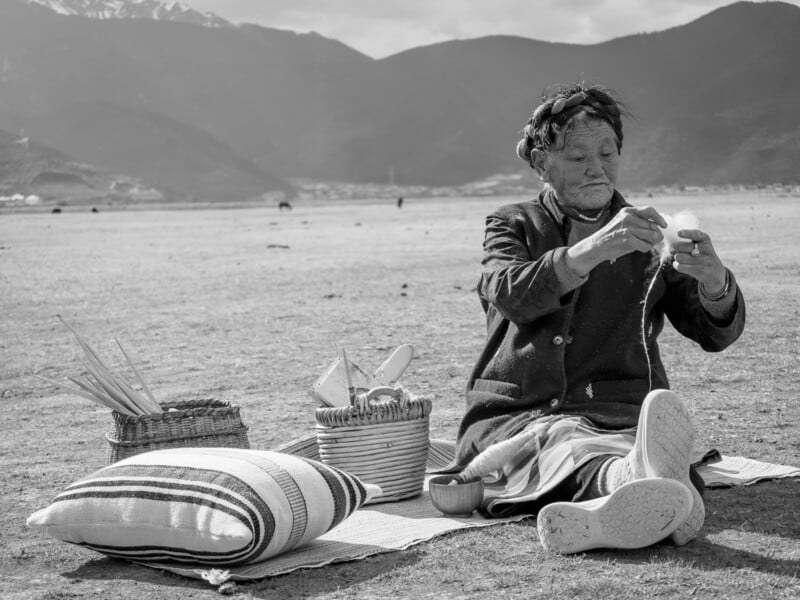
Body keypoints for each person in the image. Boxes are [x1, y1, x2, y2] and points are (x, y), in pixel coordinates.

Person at [452, 82, 746, 554]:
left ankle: (619, 501)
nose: (597, 168)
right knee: (562, 447)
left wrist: (715, 282)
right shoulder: (511, 224)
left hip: (620, 415)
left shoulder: (650, 233)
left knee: (626, 449)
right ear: (542, 164)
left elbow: (712, 332)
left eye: (607, 154)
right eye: (577, 157)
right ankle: (637, 487)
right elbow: (509, 293)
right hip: (523, 413)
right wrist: (594, 248)